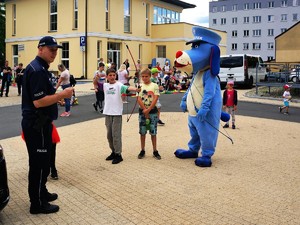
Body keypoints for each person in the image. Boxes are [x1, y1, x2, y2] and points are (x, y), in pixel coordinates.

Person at [21, 36, 73, 214]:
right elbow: (39, 101)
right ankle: (36, 203)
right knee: (38, 164)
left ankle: (41, 192)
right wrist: (62, 95)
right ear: (40, 48)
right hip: (37, 125)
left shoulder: (41, 68)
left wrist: (55, 99)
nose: (54, 53)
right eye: (51, 50)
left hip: (42, 124)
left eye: (56, 50)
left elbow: (45, 97)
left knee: (43, 162)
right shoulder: (37, 70)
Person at [103, 68, 140, 164]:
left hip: (117, 113)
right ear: (107, 76)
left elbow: (127, 88)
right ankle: (113, 152)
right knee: (109, 135)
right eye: (110, 75)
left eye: (113, 75)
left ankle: (118, 155)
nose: (112, 77)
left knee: (116, 135)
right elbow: (95, 83)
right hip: (107, 112)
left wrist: (136, 89)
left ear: (116, 76)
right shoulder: (105, 85)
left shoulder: (119, 85)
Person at [137, 68, 161, 160]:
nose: (144, 78)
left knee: (153, 132)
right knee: (142, 132)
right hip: (142, 112)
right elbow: (138, 98)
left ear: (150, 76)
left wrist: (149, 109)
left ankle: (155, 150)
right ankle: (142, 149)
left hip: (153, 112)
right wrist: (144, 109)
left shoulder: (154, 85)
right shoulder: (140, 86)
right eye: (142, 76)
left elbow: (155, 98)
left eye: (146, 76)